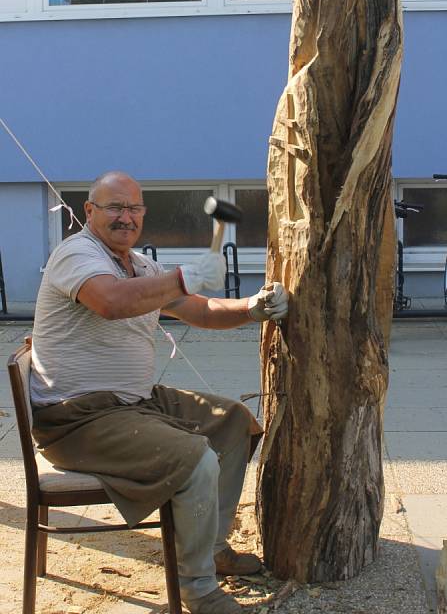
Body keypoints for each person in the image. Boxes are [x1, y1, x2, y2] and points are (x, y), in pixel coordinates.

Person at [31, 171, 288, 614]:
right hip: (78, 419)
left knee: (233, 423)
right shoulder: (77, 255)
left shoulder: (140, 265)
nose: (126, 218)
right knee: (196, 458)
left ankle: (212, 548)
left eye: (134, 209)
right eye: (115, 207)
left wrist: (252, 308)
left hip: (134, 402)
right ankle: (198, 587)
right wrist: (183, 277)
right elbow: (111, 302)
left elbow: (202, 311)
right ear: (89, 211)